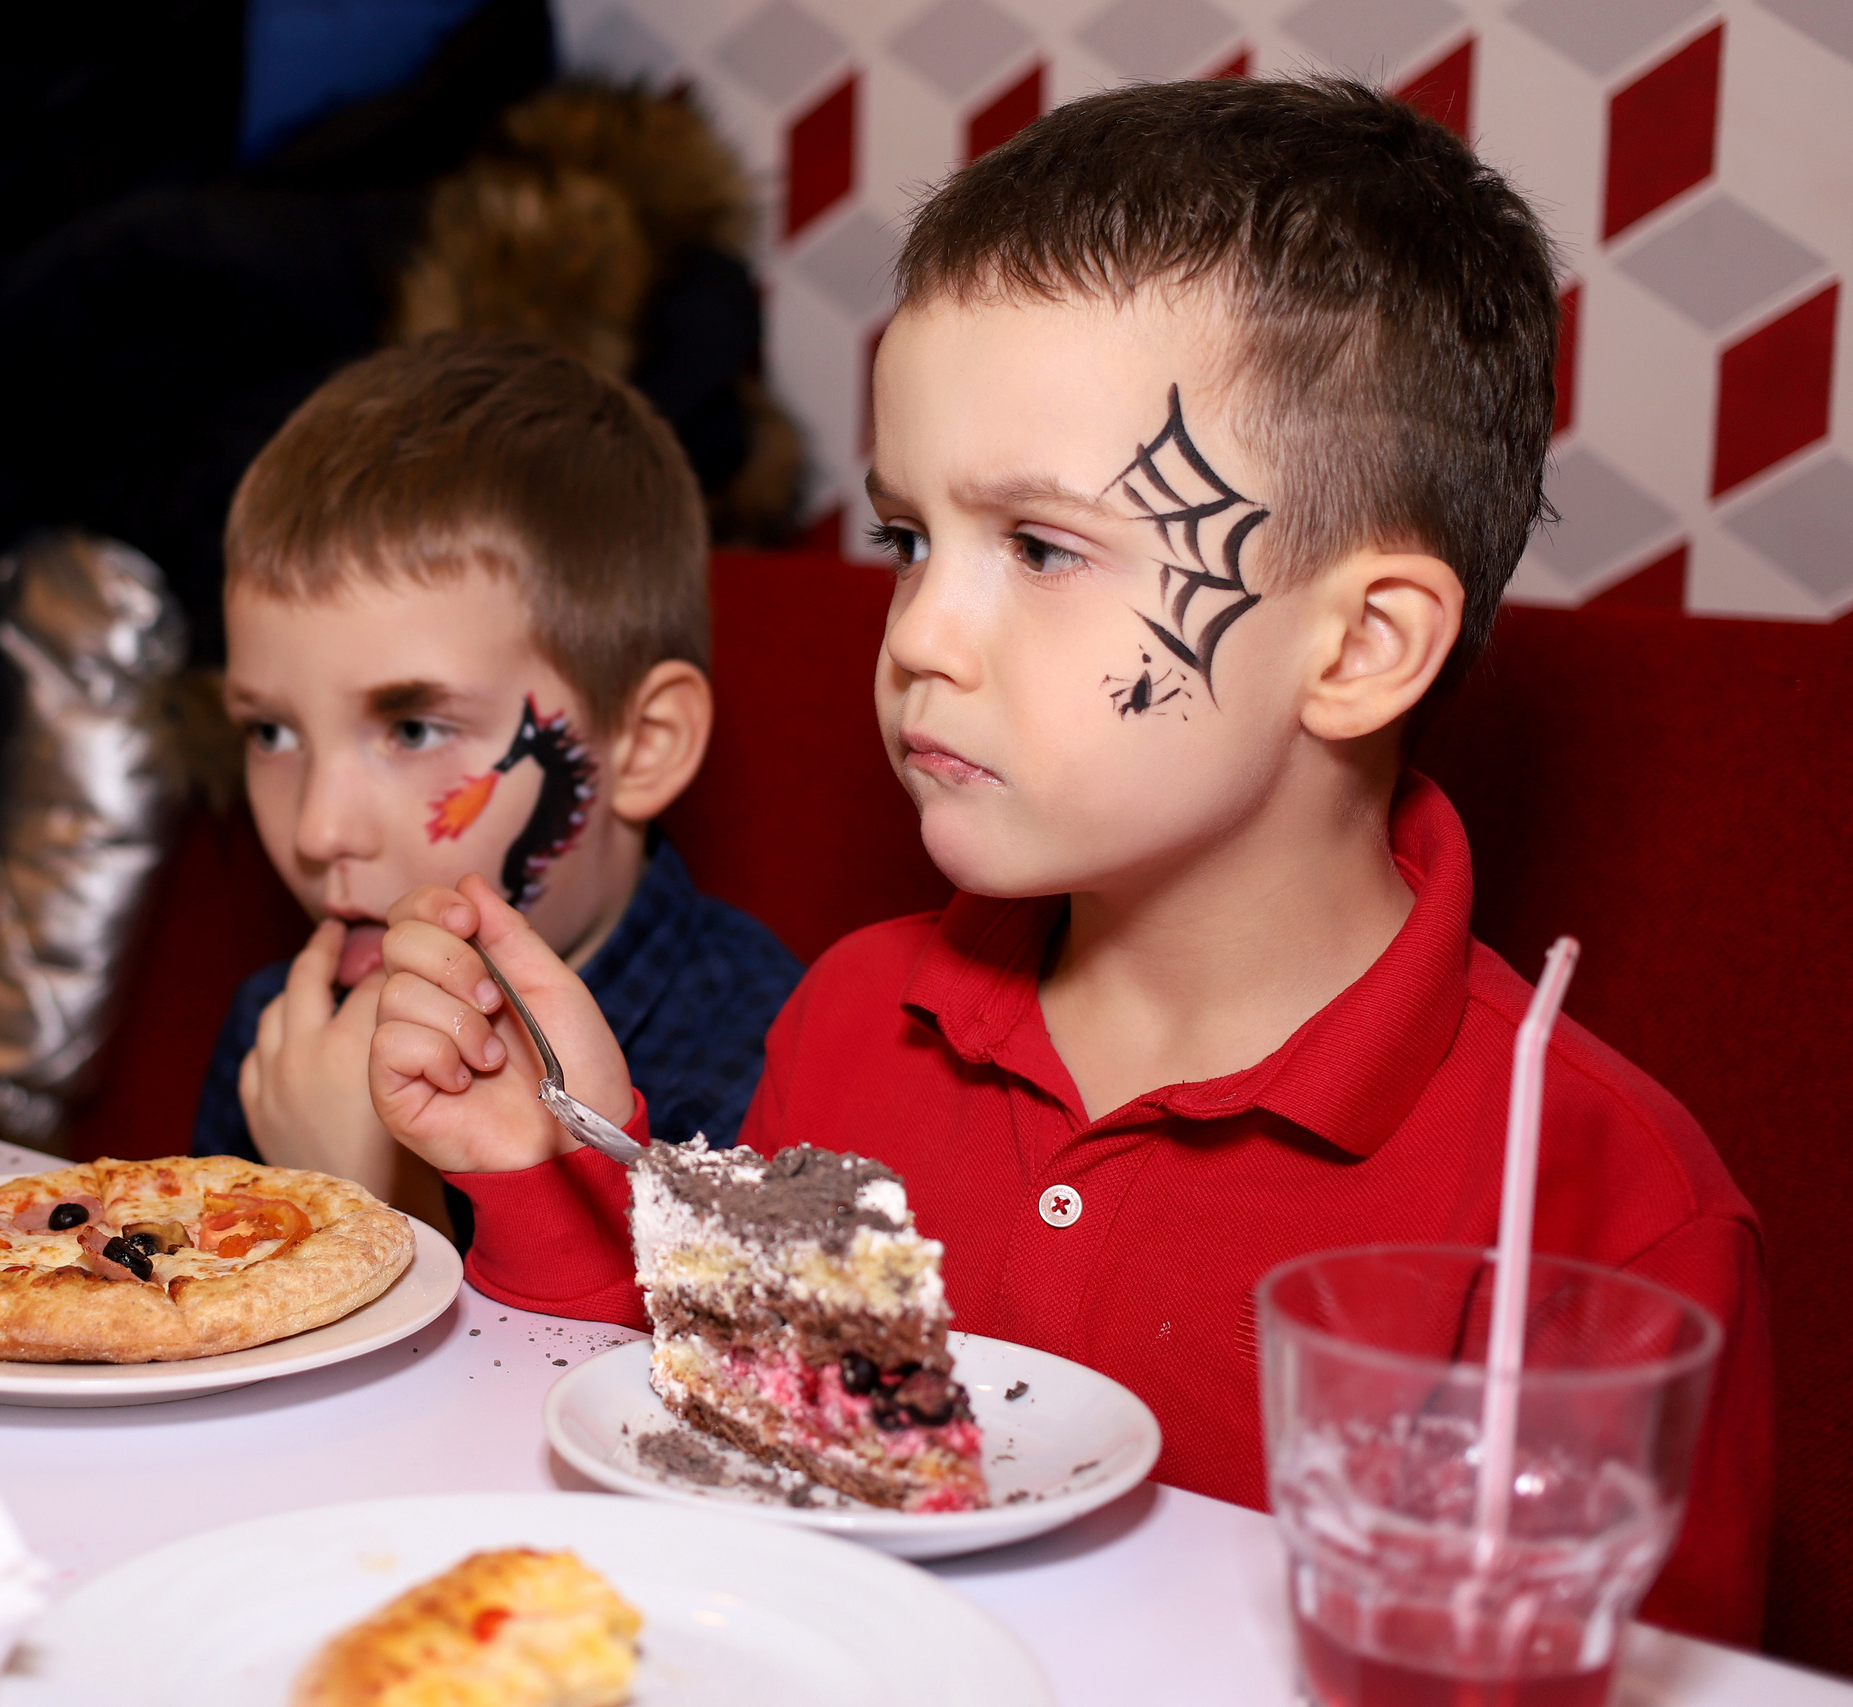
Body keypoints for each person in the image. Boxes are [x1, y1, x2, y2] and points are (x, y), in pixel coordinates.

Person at [362, 80, 1771, 1645]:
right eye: (911, 538)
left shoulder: (1605, 1213)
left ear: (1362, 645)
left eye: (1039, 547)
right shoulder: (857, 1022)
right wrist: (538, 1165)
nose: (919, 638)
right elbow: (770, 1498)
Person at [192, 334, 803, 1235]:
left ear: (642, 744)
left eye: (412, 728)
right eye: (272, 732)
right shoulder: (282, 1033)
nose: (319, 829)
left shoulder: (763, 1066)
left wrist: (366, 1201)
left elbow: (627, 1376)